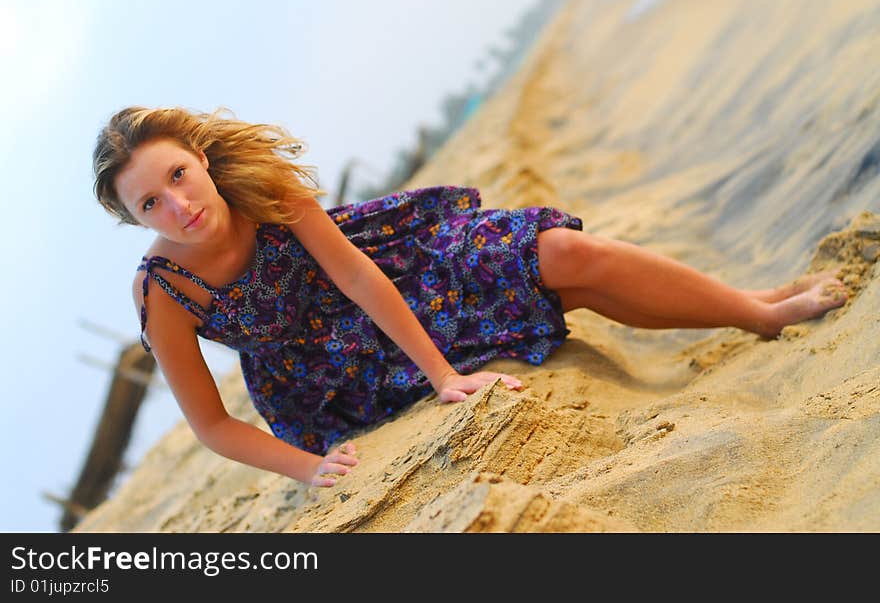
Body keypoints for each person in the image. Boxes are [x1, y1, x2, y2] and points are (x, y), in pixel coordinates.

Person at [92, 106, 848, 488]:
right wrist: (305, 469)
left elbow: (356, 275)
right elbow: (214, 424)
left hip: (393, 274)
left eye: (178, 176)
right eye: (150, 204)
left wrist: (443, 374)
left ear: (199, 155)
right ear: (133, 222)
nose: (178, 205)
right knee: (569, 289)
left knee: (562, 255)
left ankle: (755, 310)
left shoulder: (259, 187)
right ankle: (752, 304)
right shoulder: (165, 291)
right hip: (335, 384)